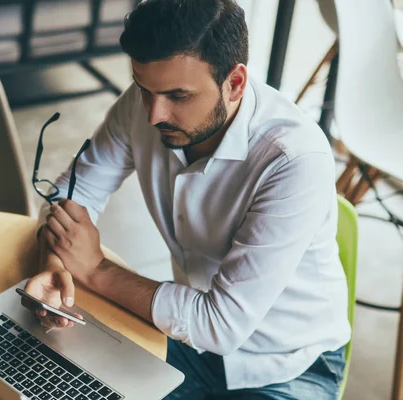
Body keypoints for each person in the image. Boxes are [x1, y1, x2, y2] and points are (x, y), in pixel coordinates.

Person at [23, 0, 351, 398]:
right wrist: (56, 265)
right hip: (182, 333)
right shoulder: (148, 102)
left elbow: (220, 324)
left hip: (289, 364)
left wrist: (94, 268)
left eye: (178, 95)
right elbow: (75, 192)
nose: (153, 114)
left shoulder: (293, 161)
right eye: (144, 89)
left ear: (235, 83)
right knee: (48, 379)